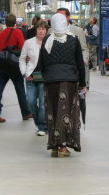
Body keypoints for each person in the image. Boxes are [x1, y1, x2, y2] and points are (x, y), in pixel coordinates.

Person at [39, 13, 86, 157]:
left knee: (52, 112)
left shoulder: (48, 39)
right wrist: (82, 83)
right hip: (69, 81)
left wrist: (47, 76)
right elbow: (80, 63)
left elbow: (42, 63)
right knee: (66, 114)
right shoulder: (72, 38)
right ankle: (63, 148)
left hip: (51, 82)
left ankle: (54, 145)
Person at [0, 13, 32, 123]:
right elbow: (23, 48)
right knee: (20, 89)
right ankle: (25, 113)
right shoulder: (17, 32)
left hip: (3, 65)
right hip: (14, 65)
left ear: (5, 22)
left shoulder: (1, 34)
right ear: (14, 22)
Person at [19, 20, 48, 136]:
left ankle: (42, 126)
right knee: (30, 101)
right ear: (36, 30)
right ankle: (39, 121)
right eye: (39, 29)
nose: (41, 31)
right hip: (31, 76)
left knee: (42, 103)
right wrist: (25, 73)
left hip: (44, 77)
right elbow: (22, 58)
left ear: (46, 31)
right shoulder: (28, 42)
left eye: (43, 29)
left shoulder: (50, 43)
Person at [56, 8, 89, 88]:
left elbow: (84, 48)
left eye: (62, 16)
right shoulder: (51, 31)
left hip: (73, 69)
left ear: (68, 17)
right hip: (57, 70)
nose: (59, 19)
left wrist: (84, 59)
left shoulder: (78, 31)